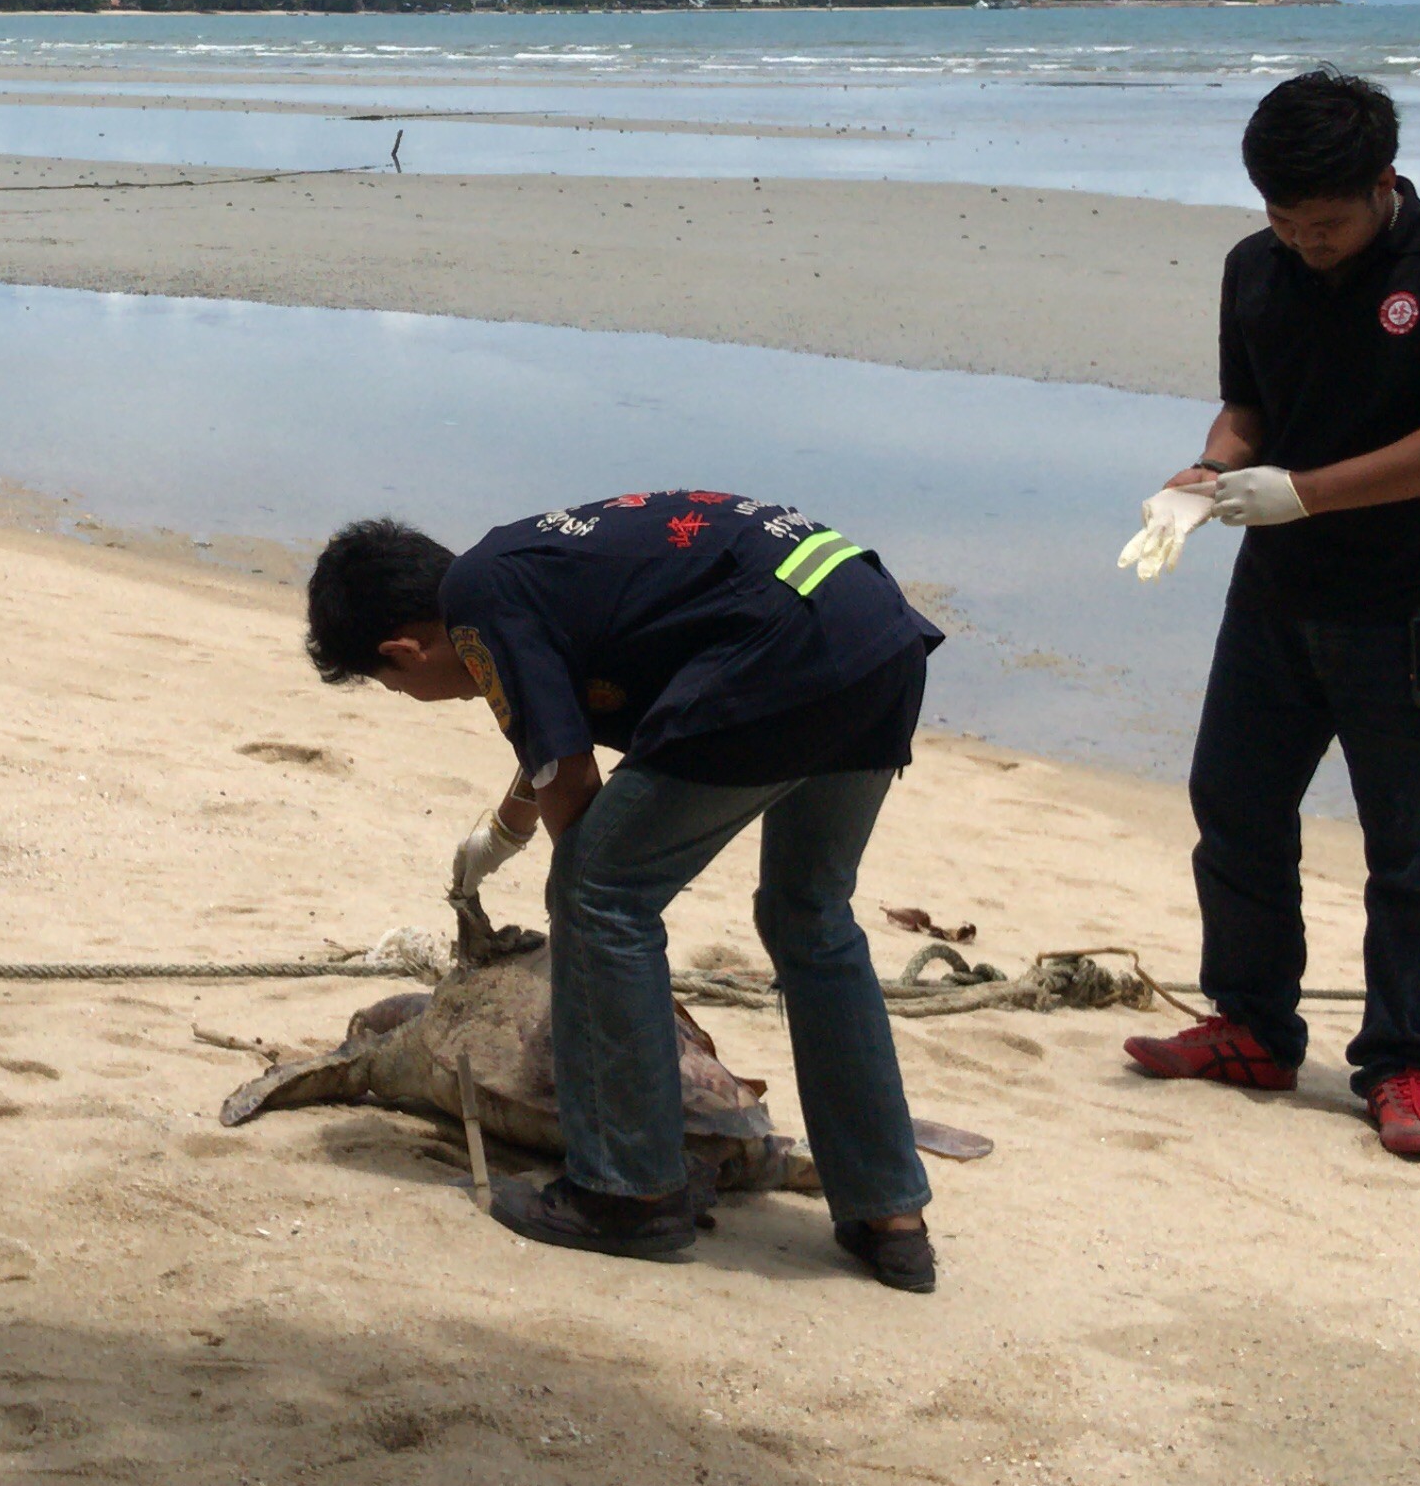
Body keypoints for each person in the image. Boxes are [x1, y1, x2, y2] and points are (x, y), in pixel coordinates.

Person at [304, 494, 945, 1287]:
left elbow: (573, 784)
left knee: (596, 891)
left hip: (782, 652)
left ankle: (627, 1192)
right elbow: (550, 742)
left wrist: (592, 917)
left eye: (392, 686)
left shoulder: (479, 607)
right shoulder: (521, 572)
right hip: (874, 634)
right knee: (809, 914)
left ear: (404, 649)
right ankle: (890, 1215)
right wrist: (503, 834)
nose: (408, 698)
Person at [1116, 70, 1420, 1160]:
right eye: (1284, 219)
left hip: (1409, 602)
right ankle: (1251, 1025)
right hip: (1276, 597)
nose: (1305, 241)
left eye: (1327, 222)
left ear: (1383, 181)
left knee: (1409, 846)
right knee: (1234, 805)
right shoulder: (1254, 267)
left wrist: (1307, 490)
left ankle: (1399, 1062)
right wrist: (1204, 476)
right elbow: (1248, 410)